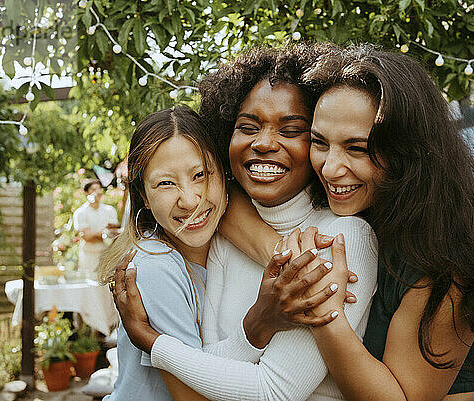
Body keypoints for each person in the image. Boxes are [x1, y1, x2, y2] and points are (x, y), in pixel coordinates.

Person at [228, 44, 474, 401]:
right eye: (320, 142)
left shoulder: (447, 256)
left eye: (357, 148)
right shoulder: (355, 199)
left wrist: (323, 308)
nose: (330, 167)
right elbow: (224, 202)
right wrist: (291, 260)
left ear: (408, 151)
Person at [113, 44, 379, 400]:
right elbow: (204, 368)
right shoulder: (221, 235)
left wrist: (152, 342)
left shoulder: (342, 238)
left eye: (291, 130)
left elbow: (272, 392)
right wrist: (259, 322)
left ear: (317, 140)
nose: (265, 143)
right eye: (248, 126)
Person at [98, 106, 229, 400]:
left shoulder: (225, 250)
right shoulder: (155, 265)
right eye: (166, 183)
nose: (190, 199)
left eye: (201, 174)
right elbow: (194, 394)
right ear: (143, 194)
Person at [73, 179, 119, 273]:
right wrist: (104, 233)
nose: (97, 192)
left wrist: (98, 234)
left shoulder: (109, 210)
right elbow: (87, 237)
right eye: (93, 189)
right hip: (88, 256)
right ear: (86, 192)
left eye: (99, 189)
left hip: (107, 255)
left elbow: (115, 233)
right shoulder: (81, 213)